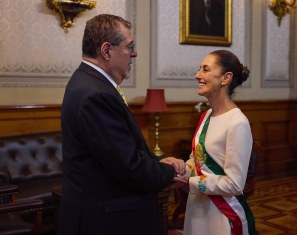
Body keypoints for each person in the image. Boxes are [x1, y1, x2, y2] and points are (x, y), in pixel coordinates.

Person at [58, 14, 185, 235]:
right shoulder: (96, 94)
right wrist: (170, 172)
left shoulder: (87, 82)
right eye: (130, 47)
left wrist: (158, 161)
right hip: (107, 220)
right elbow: (129, 167)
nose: (134, 53)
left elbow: (120, 149)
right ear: (107, 51)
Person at [178, 50, 255, 235]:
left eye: (205, 69)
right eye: (199, 69)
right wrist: (180, 170)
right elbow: (197, 159)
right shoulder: (207, 115)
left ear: (225, 78)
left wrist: (190, 182)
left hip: (222, 215)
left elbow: (235, 184)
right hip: (198, 208)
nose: (198, 75)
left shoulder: (237, 122)